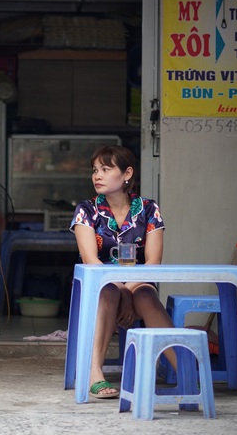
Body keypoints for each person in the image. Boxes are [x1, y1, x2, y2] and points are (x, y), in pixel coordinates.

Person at [69, 145, 176, 399]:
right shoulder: (87, 210)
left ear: (127, 173)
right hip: (100, 286)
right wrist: (119, 289)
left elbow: (153, 263)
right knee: (108, 291)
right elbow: (90, 260)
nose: (98, 175)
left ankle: (185, 371)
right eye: (95, 170)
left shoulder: (149, 209)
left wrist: (128, 290)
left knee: (146, 296)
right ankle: (94, 372)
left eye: (106, 169)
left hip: (139, 283)